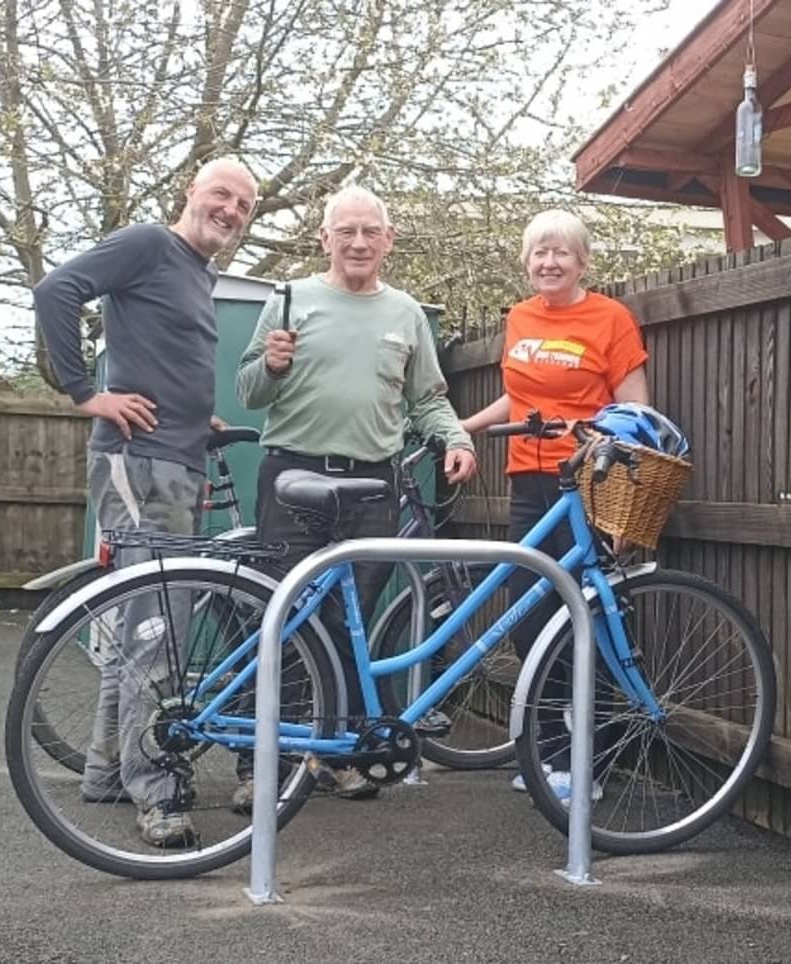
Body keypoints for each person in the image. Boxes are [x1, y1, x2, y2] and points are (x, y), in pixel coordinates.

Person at [33, 157, 259, 847]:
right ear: (192, 188)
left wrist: (200, 418)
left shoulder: (196, 269)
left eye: (244, 205)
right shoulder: (147, 243)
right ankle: (157, 793)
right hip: (141, 463)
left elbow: (166, 357)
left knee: (141, 629)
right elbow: (56, 290)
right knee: (160, 627)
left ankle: (106, 771)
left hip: (177, 456)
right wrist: (84, 392)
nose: (230, 209)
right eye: (222, 193)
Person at [235, 185, 476, 806]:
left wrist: (456, 440)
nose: (359, 243)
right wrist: (275, 366)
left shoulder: (407, 315)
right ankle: (258, 765)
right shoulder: (290, 299)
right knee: (282, 617)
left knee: (349, 625)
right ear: (325, 239)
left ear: (389, 241)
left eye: (371, 231)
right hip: (292, 477)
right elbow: (248, 393)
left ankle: (334, 755)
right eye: (346, 231)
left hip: (372, 484)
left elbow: (426, 398)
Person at [460, 209, 648, 796]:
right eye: (539, 253)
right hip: (529, 485)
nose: (549, 262)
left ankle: (589, 761)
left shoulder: (610, 318)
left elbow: (636, 413)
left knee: (585, 618)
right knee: (526, 620)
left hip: (587, 482)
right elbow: (518, 399)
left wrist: (623, 497)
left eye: (561, 253)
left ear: (582, 261)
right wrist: (465, 426)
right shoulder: (519, 318)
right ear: (527, 261)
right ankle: (549, 753)